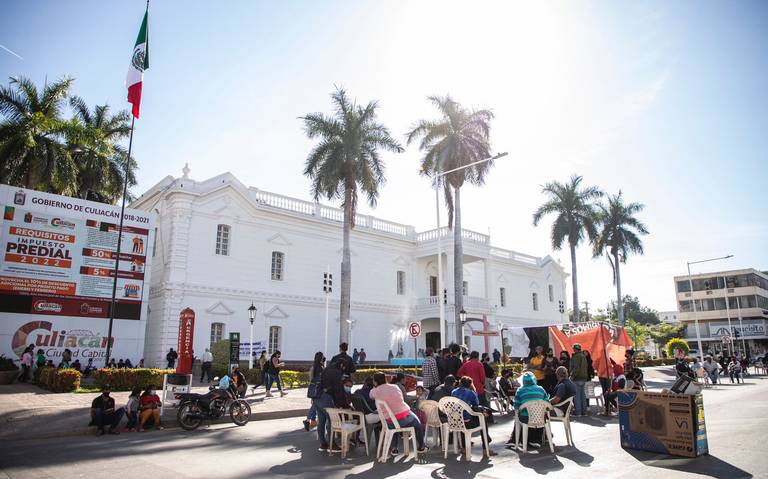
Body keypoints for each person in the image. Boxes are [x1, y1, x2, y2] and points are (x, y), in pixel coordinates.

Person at [370, 371, 428, 455]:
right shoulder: (395, 387)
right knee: (418, 424)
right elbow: (402, 399)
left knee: (394, 423)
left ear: (375, 382)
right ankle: (422, 447)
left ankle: (394, 448)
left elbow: (371, 395)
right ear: (385, 379)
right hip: (404, 418)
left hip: (388, 422)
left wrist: (375, 387)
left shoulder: (374, 391)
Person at [451, 375, 495, 454]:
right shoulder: (471, 393)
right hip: (468, 423)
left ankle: (464, 447)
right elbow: (476, 405)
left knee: (461, 416)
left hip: (455, 421)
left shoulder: (453, 392)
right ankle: (486, 447)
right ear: (470, 384)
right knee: (483, 420)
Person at [507, 372, 549, 448]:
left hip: (526, 419)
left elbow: (516, 406)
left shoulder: (520, 390)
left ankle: (514, 440)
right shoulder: (541, 389)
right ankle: (536, 440)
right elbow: (547, 404)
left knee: (518, 418)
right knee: (541, 417)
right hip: (541, 418)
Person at [315, 359, 349, 452]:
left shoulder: (327, 368)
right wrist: (343, 404)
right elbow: (338, 390)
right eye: (344, 367)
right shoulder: (336, 372)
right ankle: (332, 445)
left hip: (317, 397)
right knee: (331, 421)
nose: (344, 369)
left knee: (321, 421)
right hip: (326, 398)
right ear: (341, 365)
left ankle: (323, 444)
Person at [303, 351, 324, 432]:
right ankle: (309, 420)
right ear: (321, 358)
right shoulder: (320, 367)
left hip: (313, 388)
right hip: (318, 389)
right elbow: (321, 378)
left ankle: (310, 420)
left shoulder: (314, 366)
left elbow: (312, 378)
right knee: (315, 405)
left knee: (315, 405)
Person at [569, 343, 590, 416]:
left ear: (575, 349)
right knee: (582, 396)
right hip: (583, 378)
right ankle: (584, 412)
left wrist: (572, 376)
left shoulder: (576, 357)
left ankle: (578, 412)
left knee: (577, 396)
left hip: (577, 378)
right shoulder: (583, 356)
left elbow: (576, 368)